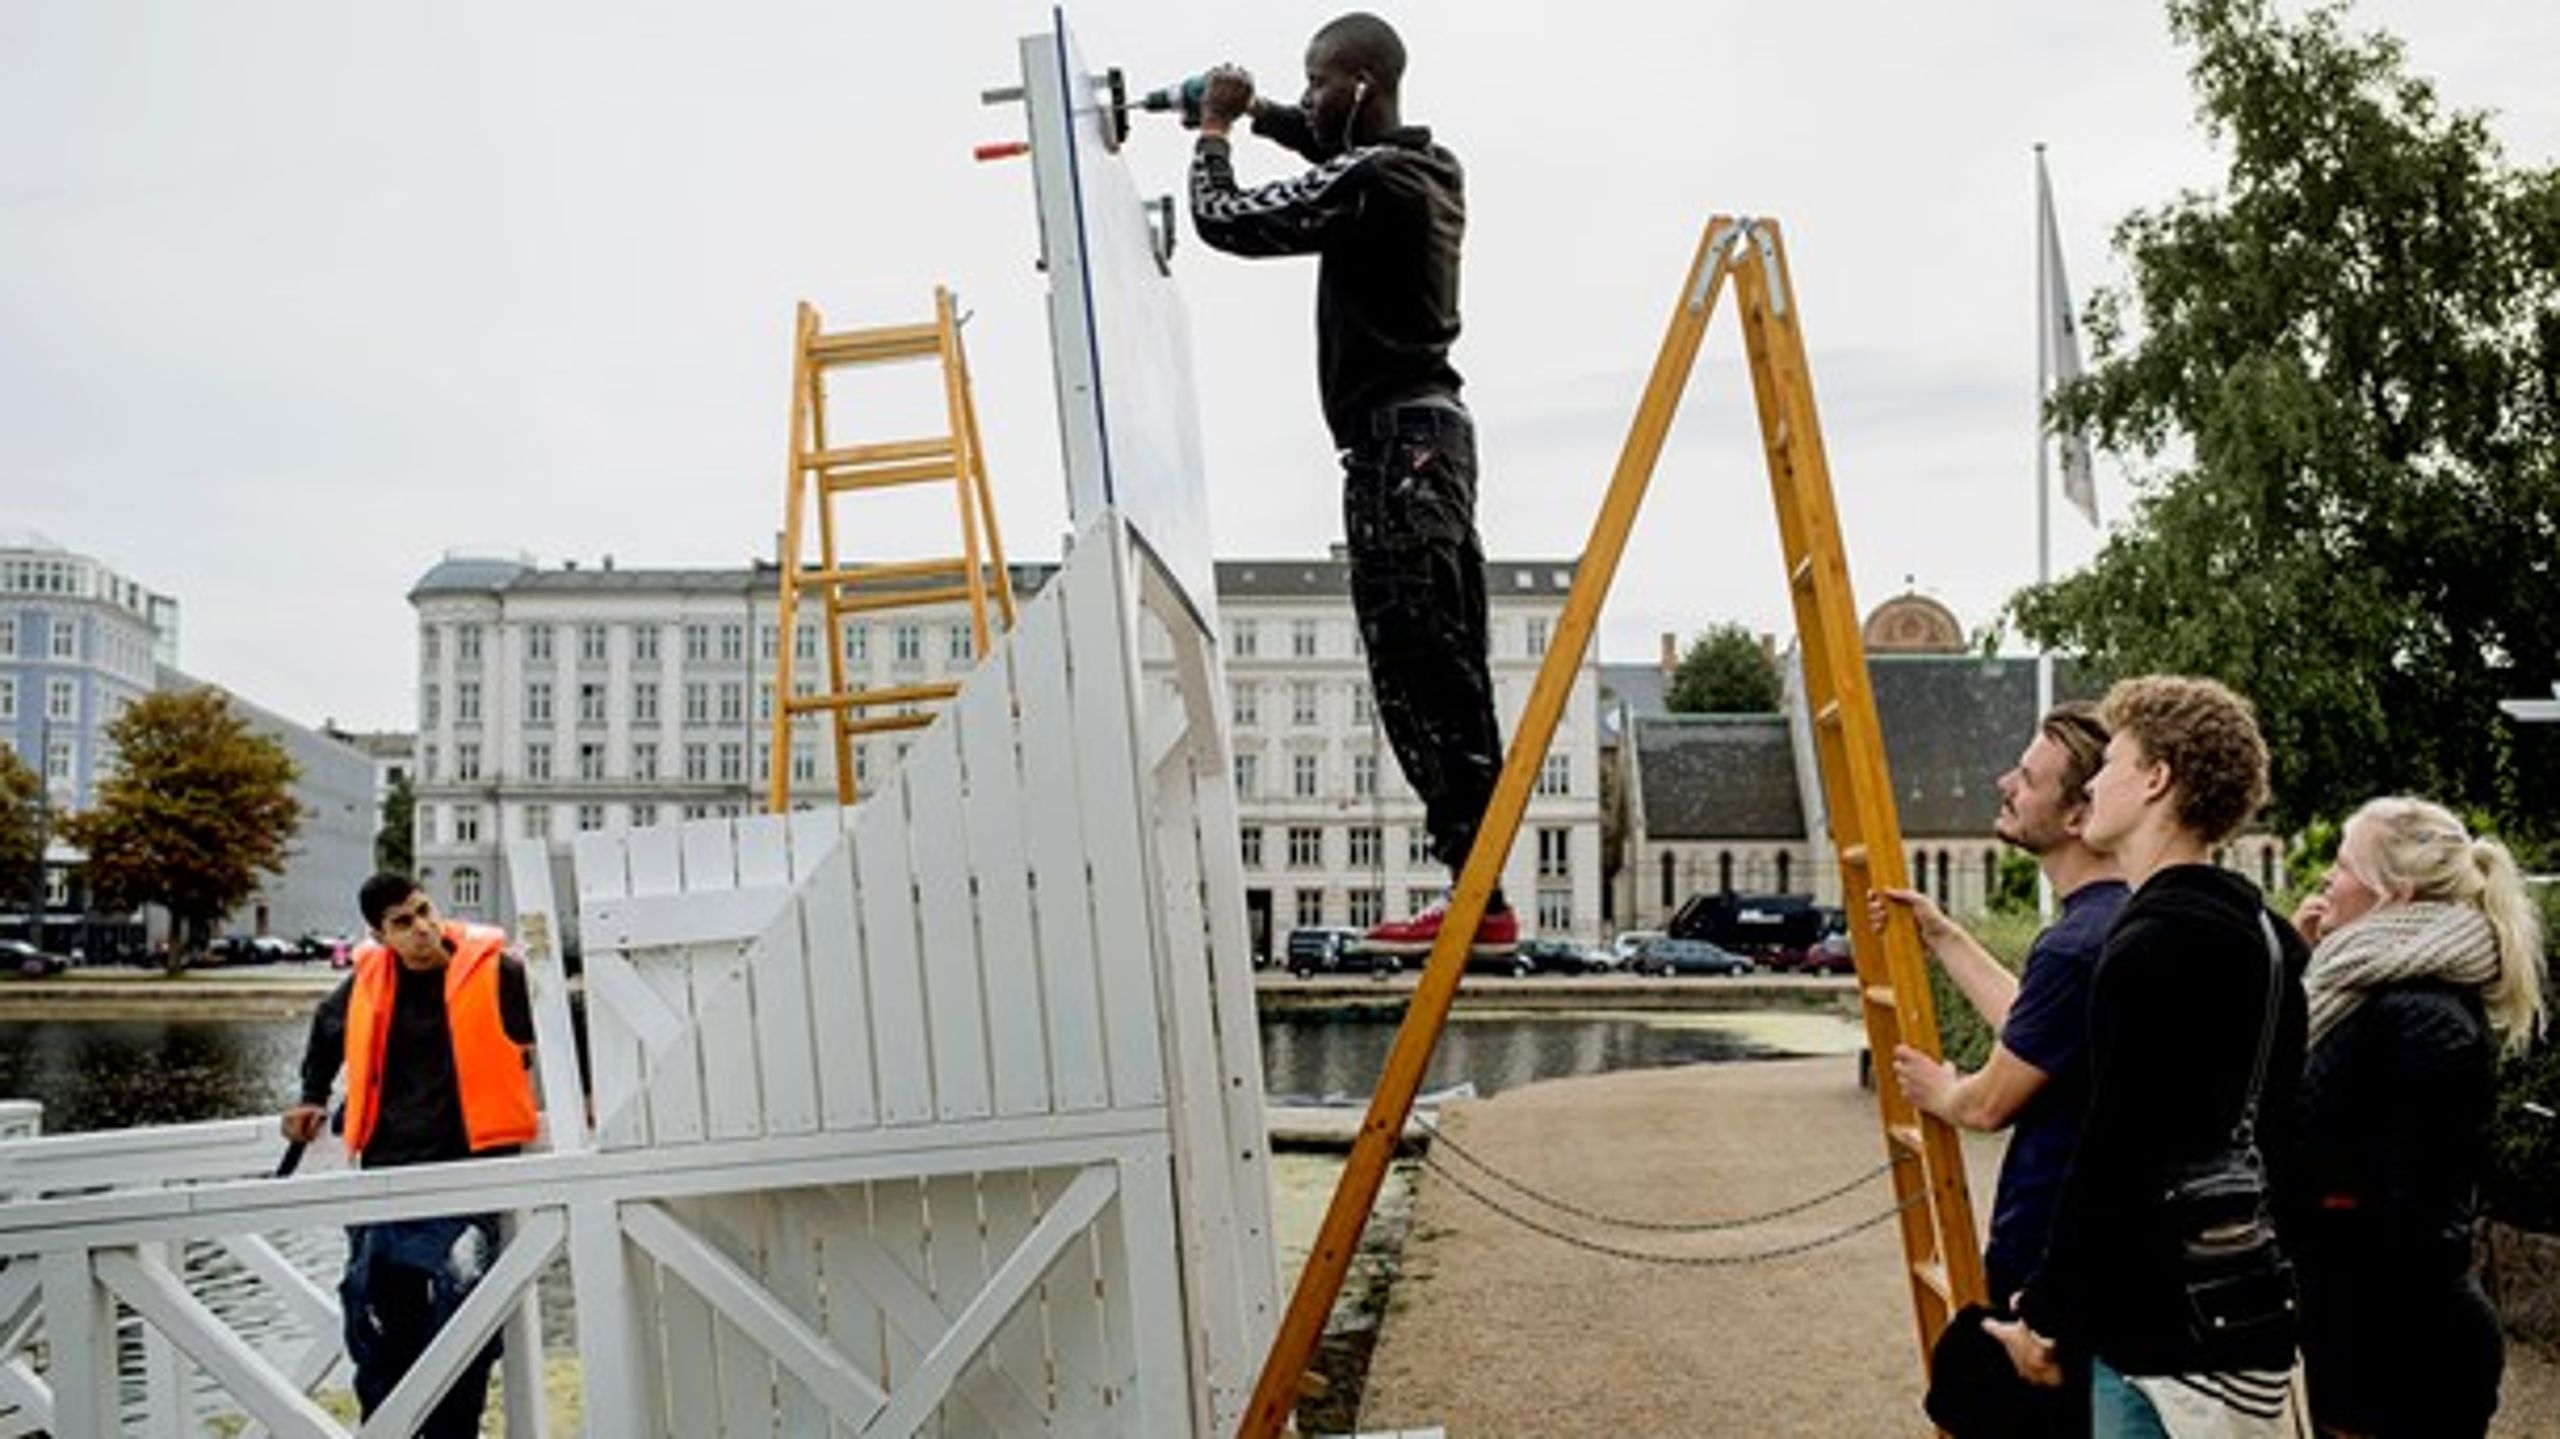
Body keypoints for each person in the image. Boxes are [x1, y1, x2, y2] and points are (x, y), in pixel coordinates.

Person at [1188, 12, 1515, 956]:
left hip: (1394, 452)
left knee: (1413, 663)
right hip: (1440, 443)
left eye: (1319, 79)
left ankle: (1475, 893)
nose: (1312, 95)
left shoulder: (1373, 184)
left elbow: (1227, 222)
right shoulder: (1432, 167)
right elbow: (1329, 141)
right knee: (1452, 671)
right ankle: (1480, 891)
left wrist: (1215, 133)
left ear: (1362, 83)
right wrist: (1266, 115)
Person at [1991, 676, 2309, 1436]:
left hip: (2158, 1330)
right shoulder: (2272, 940)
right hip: (2248, 1308)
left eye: (2115, 763)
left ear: (2157, 779)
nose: (2095, 781)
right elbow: (2282, 1135)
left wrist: (2046, 1311)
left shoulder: (2144, 945)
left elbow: (2114, 1153)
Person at [1883, 705, 2124, 1436]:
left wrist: (1941, 1090)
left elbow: (1993, 1102)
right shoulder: (2111, 923)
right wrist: (1945, 934)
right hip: (2095, 1255)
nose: (2005, 782)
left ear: (2080, 813)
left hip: (2047, 1255)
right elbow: (2035, 1028)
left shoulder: (2075, 944)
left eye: (2027, 776)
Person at [2287, 796, 2546, 1437]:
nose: (2327, 880)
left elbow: (2411, 1222)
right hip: (2366, 1339)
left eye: (2342, 865)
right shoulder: (2361, 993)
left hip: (2398, 1356)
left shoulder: (2420, 1018)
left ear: (2393, 894)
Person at [282, 873, 538, 1436]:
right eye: (404, 922)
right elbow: (327, 1031)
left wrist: (585, 1096)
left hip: (471, 1173)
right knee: (370, 1315)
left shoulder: (497, 973)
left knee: (465, 1314)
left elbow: (561, 1022)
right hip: (387, 1174)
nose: (423, 928)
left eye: (425, 910)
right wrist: (310, 1096)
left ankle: (451, 1433)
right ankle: (389, 1426)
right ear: (380, 934)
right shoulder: (369, 978)